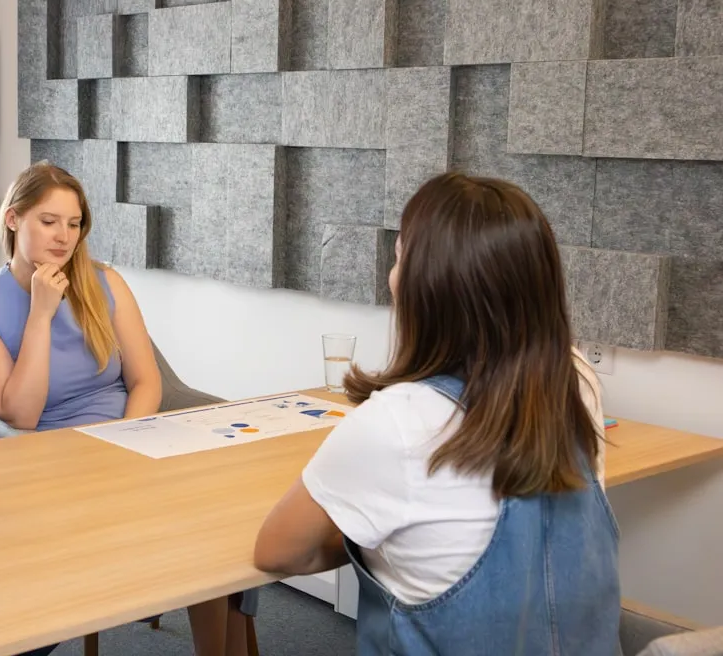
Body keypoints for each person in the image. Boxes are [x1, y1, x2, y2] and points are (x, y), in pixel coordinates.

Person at [253, 172, 619, 655]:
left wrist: (372, 534)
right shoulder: (577, 384)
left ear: (428, 288)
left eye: (400, 256)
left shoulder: (399, 422)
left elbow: (278, 550)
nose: (391, 274)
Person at [0, 160, 256, 656]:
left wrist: (127, 444)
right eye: (48, 221)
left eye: (74, 224)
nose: (63, 237)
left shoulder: (105, 282)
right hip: (49, 461)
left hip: (130, 442)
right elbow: (21, 414)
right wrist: (41, 314)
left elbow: (145, 379)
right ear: (13, 220)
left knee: (217, 523)